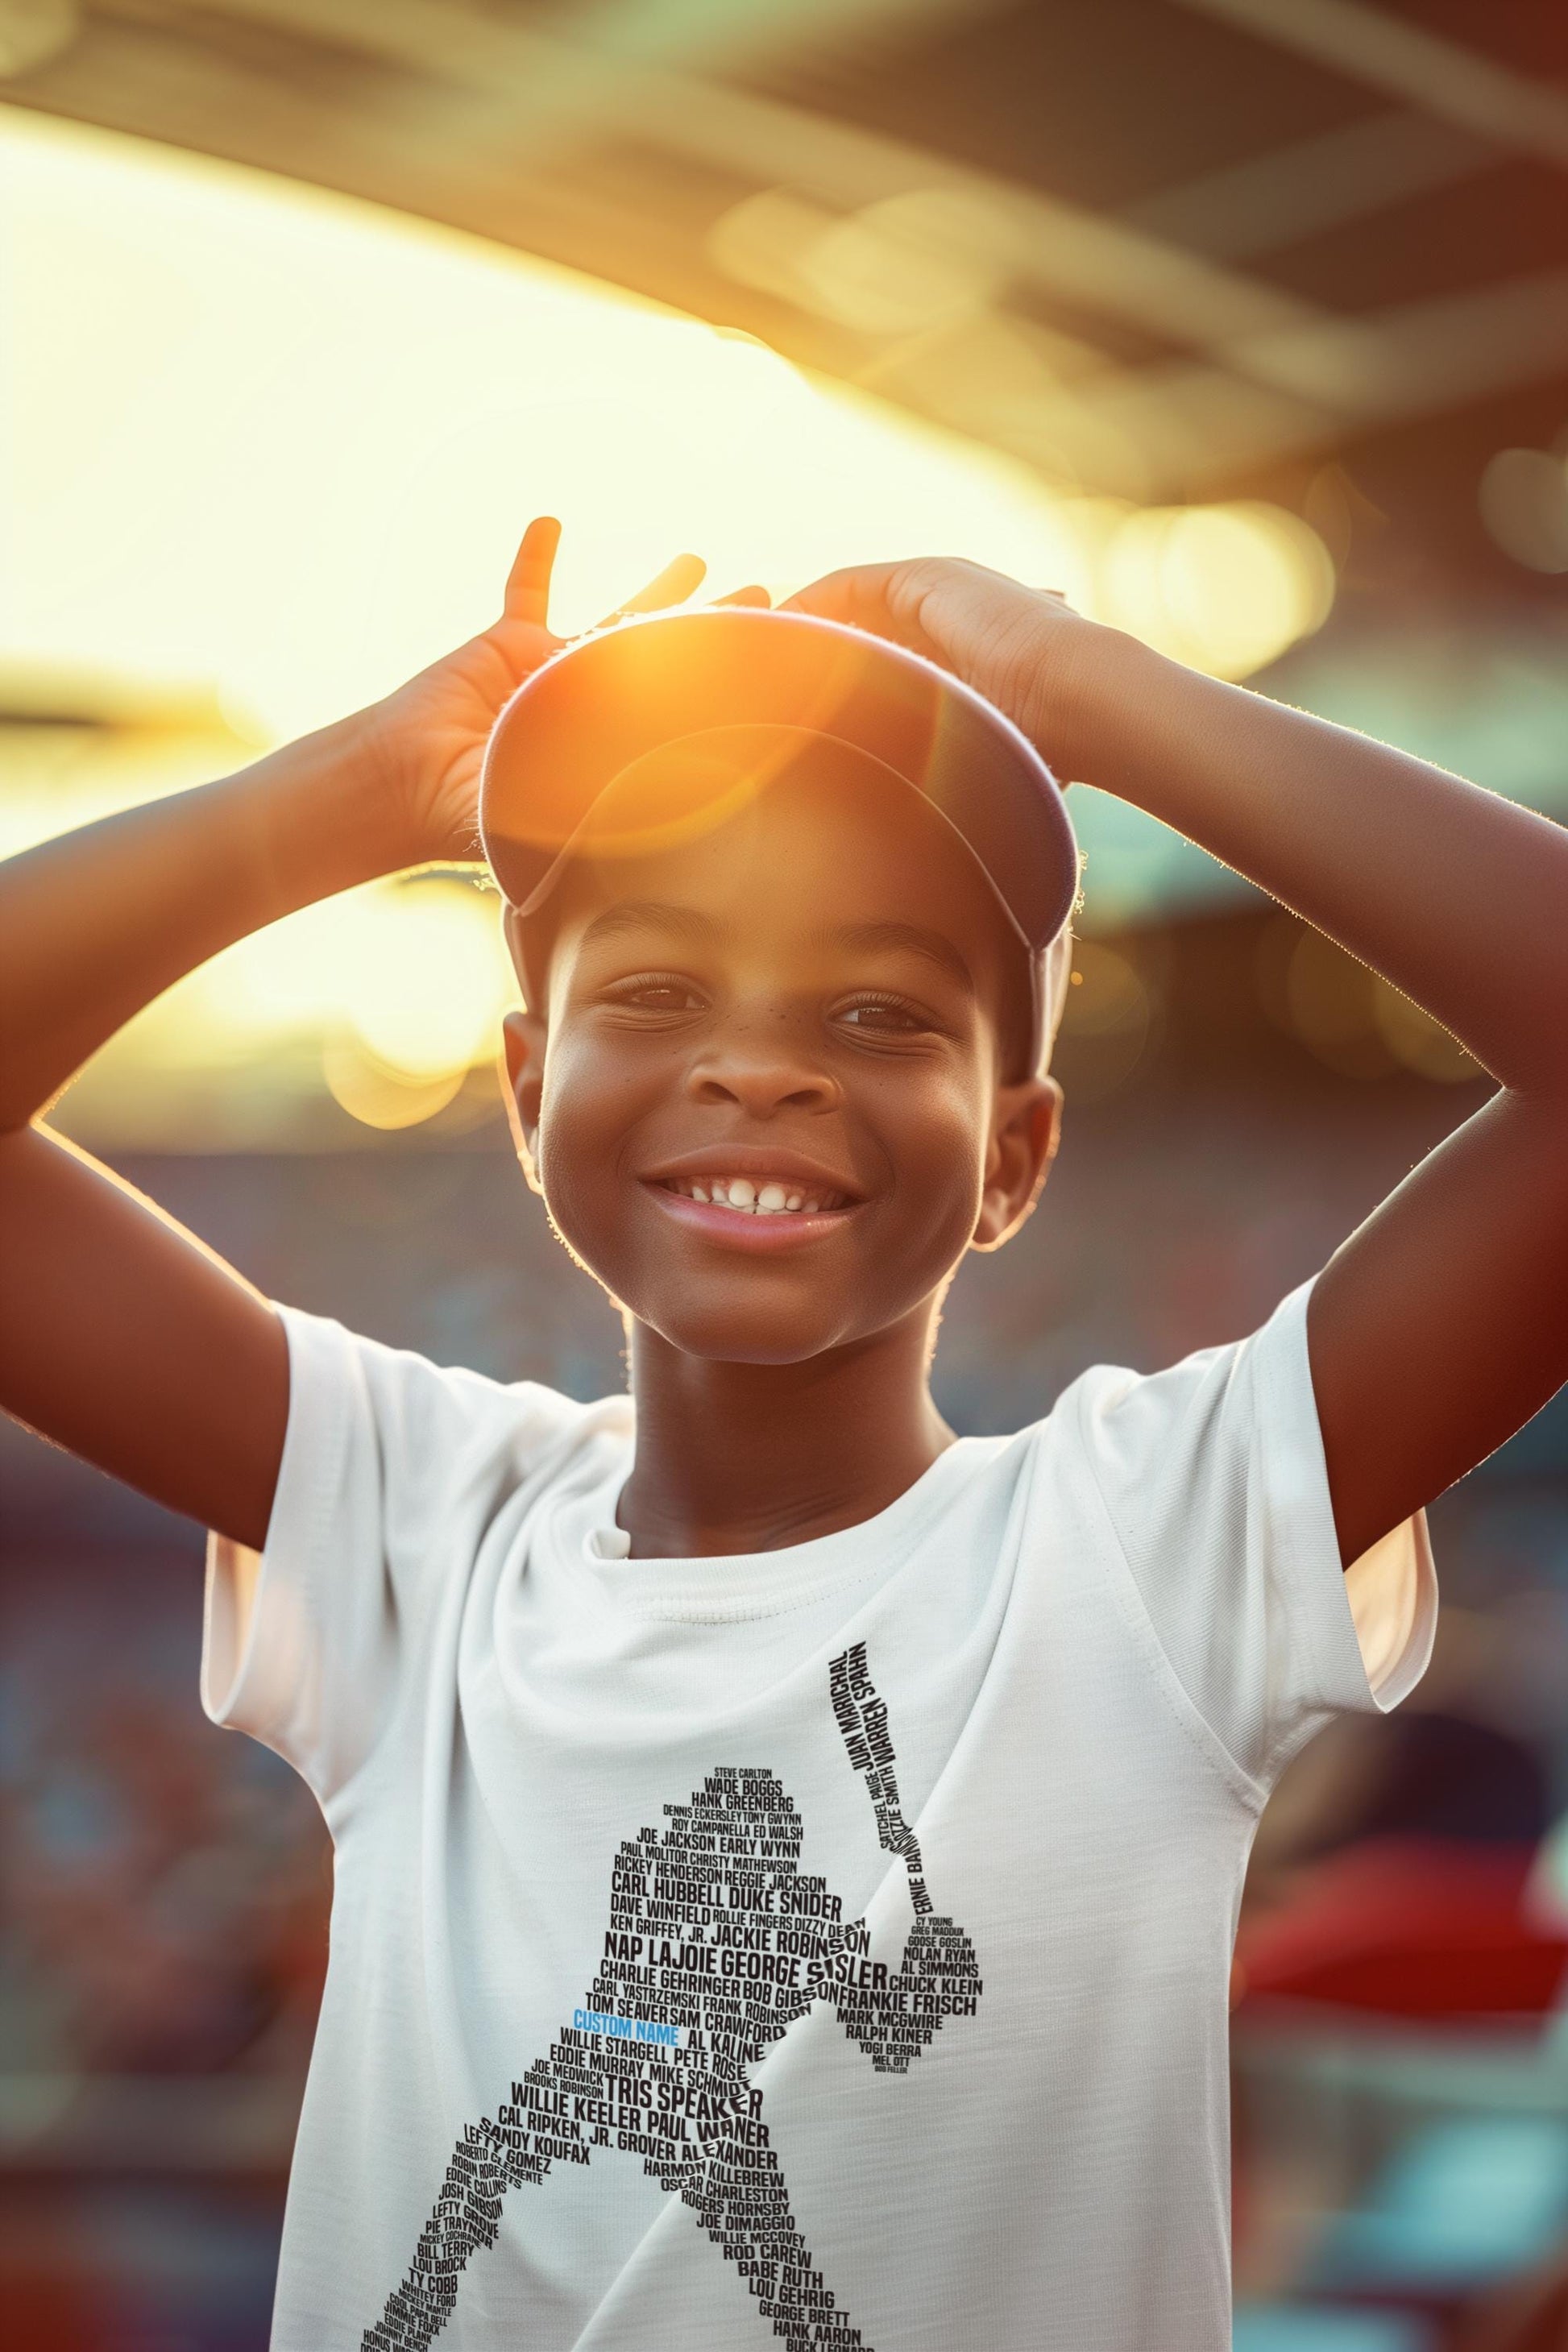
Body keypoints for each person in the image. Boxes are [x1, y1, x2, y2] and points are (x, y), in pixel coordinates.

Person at [2, 513, 1565, 2350]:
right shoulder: (421, 1522)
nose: (760, 1061)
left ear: (1014, 1152)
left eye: (882, 1008)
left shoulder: (1145, 1542)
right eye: (658, 987)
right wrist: (326, 806)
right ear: (525, 1086)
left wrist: (1091, 690)